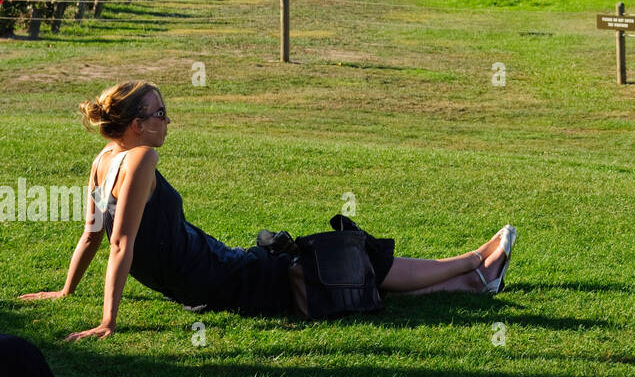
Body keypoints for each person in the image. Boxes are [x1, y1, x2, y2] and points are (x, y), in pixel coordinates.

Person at [19, 81, 517, 341]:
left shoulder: (103, 160)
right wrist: (108, 321)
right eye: (159, 113)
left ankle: (475, 280)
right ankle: (475, 262)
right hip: (221, 279)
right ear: (133, 125)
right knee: (342, 258)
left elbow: (92, 236)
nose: (168, 120)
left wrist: (66, 290)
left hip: (217, 269)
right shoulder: (139, 158)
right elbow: (120, 244)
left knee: (332, 271)